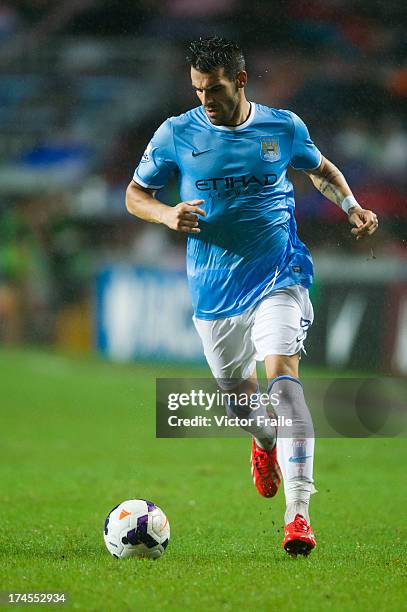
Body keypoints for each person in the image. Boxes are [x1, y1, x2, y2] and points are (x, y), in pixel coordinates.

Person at [125, 36, 378, 556]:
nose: (205, 101)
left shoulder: (282, 126)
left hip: (279, 274)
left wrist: (351, 205)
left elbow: (320, 169)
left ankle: (299, 516)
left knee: (284, 385)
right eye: (197, 90)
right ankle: (262, 443)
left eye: (214, 89)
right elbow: (135, 195)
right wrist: (168, 214)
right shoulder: (176, 133)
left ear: (239, 81)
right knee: (242, 405)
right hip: (215, 290)